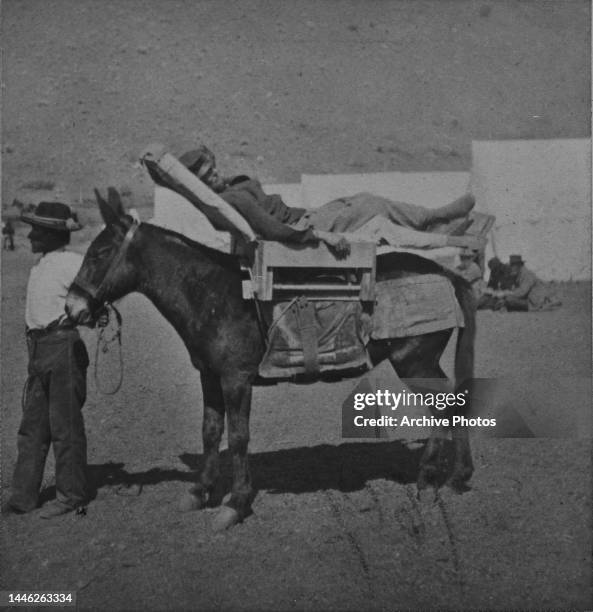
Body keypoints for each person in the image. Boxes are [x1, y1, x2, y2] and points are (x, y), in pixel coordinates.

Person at [153, 145, 485, 253]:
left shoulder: (230, 192)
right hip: (305, 225)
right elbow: (274, 231)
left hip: (309, 214)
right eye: (207, 176)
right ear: (200, 183)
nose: (215, 175)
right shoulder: (233, 202)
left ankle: (436, 223)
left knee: (360, 201)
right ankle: (434, 219)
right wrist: (320, 235)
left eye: (213, 169)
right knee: (371, 206)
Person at [6, 201, 91, 519]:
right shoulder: (41, 265)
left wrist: (89, 311)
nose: (30, 236)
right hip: (38, 350)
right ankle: (22, 497)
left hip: (63, 347)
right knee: (32, 428)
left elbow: (98, 293)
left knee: (65, 426)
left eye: (37, 231)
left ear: (53, 235)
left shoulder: (72, 263)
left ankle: (71, 496)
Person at [497, 254, 562, 312]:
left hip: (535, 303)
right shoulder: (519, 275)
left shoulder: (527, 275)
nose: (511, 268)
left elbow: (522, 292)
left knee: (509, 300)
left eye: (513, 265)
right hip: (530, 301)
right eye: (511, 265)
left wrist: (506, 294)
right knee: (506, 299)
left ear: (519, 265)